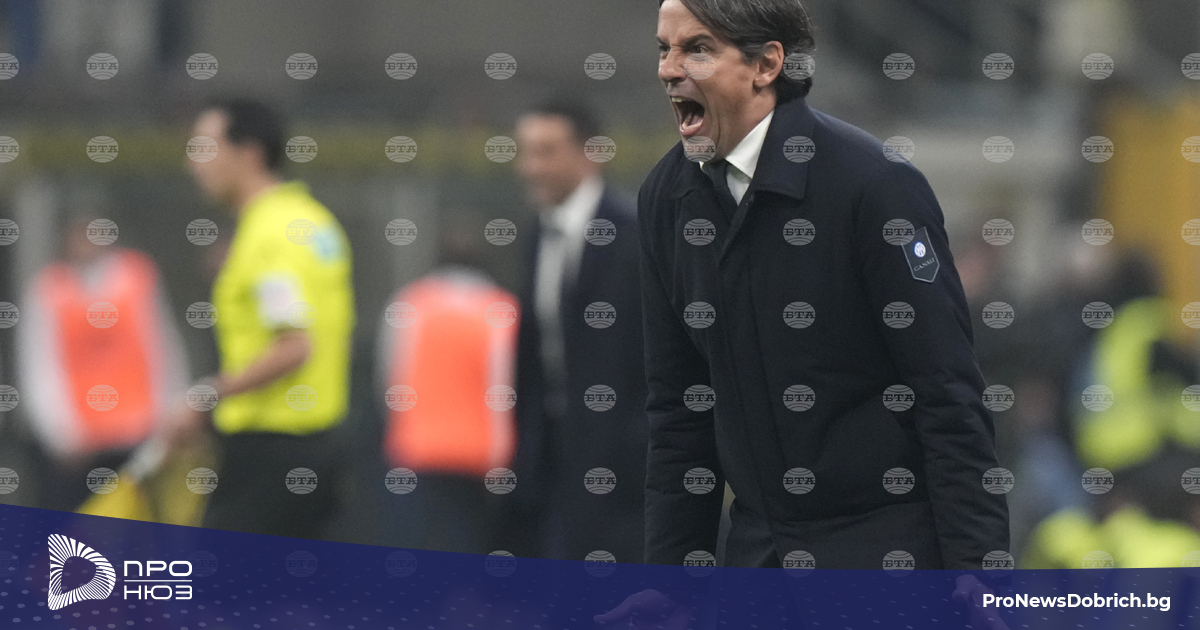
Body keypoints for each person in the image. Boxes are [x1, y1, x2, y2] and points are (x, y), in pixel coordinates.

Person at [639, 0, 1009, 571]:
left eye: (697, 49)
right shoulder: (666, 200)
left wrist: (978, 568)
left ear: (766, 65)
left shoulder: (875, 187)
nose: (668, 69)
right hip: (759, 560)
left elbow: (947, 393)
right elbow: (680, 415)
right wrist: (669, 584)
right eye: (665, 50)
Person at [172, 98, 356, 540]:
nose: (192, 164)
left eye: (204, 148)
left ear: (249, 153)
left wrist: (206, 396)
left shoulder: (271, 235)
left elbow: (294, 345)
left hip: (269, 453)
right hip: (319, 444)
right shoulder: (312, 221)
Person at [499, 99, 648, 563]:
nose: (530, 168)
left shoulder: (634, 235)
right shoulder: (537, 236)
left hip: (625, 472)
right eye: (526, 152)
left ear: (590, 153)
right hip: (550, 462)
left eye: (546, 152)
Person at [17, 214, 188, 512]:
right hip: (83, 442)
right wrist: (60, 432)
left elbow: (161, 344)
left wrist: (170, 410)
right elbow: (40, 363)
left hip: (139, 430)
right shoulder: (49, 289)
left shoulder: (136, 275)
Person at [375, 231, 518, 554]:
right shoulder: (502, 311)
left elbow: (388, 379)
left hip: (415, 450)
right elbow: (506, 389)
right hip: (480, 456)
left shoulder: (410, 303)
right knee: (470, 548)